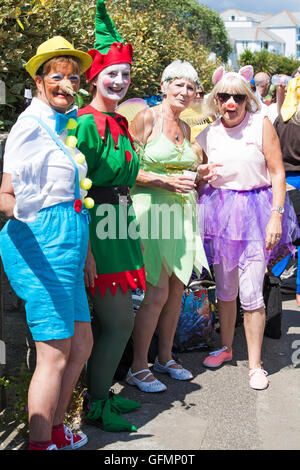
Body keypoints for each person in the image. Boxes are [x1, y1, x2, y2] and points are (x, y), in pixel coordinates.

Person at [0, 36, 93, 450]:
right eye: (56, 76)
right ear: (39, 81)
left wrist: (87, 252)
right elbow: (6, 194)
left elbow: (74, 196)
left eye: (73, 78)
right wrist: (22, 212)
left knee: (81, 344)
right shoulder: (29, 126)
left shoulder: (62, 126)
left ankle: (56, 430)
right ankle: (41, 444)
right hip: (43, 247)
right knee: (54, 352)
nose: (66, 84)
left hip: (71, 247)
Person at [196, 65, 300, 390]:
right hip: (219, 215)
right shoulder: (208, 133)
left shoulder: (261, 124)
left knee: (252, 291)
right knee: (225, 290)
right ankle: (226, 348)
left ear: (248, 99)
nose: (231, 102)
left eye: (238, 96)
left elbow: (278, 173)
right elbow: (194, 173)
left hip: (256, 213)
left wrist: (276, 216)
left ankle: (256, 365)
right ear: (216, 99)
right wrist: (199, 174)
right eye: (224, 96)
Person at [69, 0, 145, 431]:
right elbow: (72, 190)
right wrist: (86, 251)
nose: (119, 80)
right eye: (111, 73)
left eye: (126, 74)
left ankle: (101, 397)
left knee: (119, 320)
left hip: (120, 225)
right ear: (95, 78)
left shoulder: (120, 123)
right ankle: (95, 407)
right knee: (118, 323)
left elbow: (129, 178)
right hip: (95, 229)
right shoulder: (82, 124)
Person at [126, 59, 211, 393]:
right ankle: (137, 366)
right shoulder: (146, 118)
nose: (185, 92)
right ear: (163, 87)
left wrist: (201, 174)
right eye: (178, 84)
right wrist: (165, 182)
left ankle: (164, 358)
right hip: (151, 214)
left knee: (178, 289)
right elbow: (127, 171)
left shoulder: (187, 129)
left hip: (183, 215)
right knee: (157, 291)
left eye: (191, 87)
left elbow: (185, 175)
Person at [274, 76, 300, 305]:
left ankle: (275, 280)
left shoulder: (279, 120)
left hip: (283, 184)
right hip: (294, 182)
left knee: (285, 238)